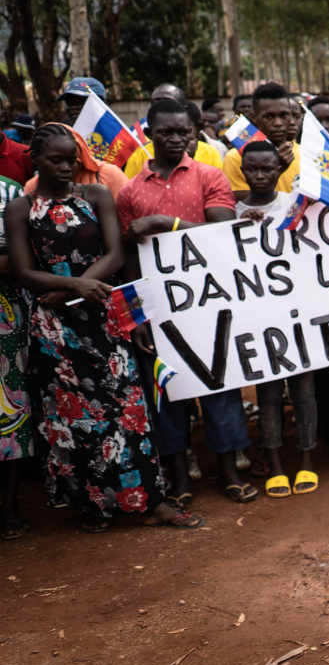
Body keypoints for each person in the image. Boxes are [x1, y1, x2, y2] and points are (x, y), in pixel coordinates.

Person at [5, 123, 201, 531]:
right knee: (73, 416)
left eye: (71, 160)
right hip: (55, 327)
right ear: (35, 161)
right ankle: (95, 506)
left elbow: (114, 253)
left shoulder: (94, 195)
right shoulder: (21, 207)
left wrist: (82, 287)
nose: (65, 167)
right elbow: (23, 270)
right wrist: (74, 285)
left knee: (128, 408)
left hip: (105, 313)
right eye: (55, 160)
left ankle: (149, 500)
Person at [116, 98, 254, 505]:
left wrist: (164, 224)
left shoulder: (211, 176)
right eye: (166, 132)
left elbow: (222, 230)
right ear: (149, 133)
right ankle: (178, 480)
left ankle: (229, 472)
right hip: (157, 312)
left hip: (210, 303)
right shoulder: (130, 192)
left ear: (194, 134)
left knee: (221, 390)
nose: (175, 139)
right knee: (166, 395)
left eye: (183, 132)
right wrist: (134, 317)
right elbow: (126, 260)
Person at [231, 141, 319, 496]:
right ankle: (276, 466)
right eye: (252, 169)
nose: (260, 175)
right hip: (258, 320)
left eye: (268, 168)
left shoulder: (293, 206)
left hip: (298, 316)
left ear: (279, 170)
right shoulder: (231, 212)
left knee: (304, 391)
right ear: (242, 170)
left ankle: (308, 461)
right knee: (267, 393)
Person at [0, 173, 33, 539]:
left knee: (11, 411)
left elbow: (23, 259)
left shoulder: (10, 192)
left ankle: (10, 507)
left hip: (6, 316)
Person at [223, 82, 300, 193]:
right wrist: (278, 168)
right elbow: (240, 201)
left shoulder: (307, 155)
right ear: (254, 118)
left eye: (284, 115)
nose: (278, 123)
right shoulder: (235, 158)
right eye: (269, 116)